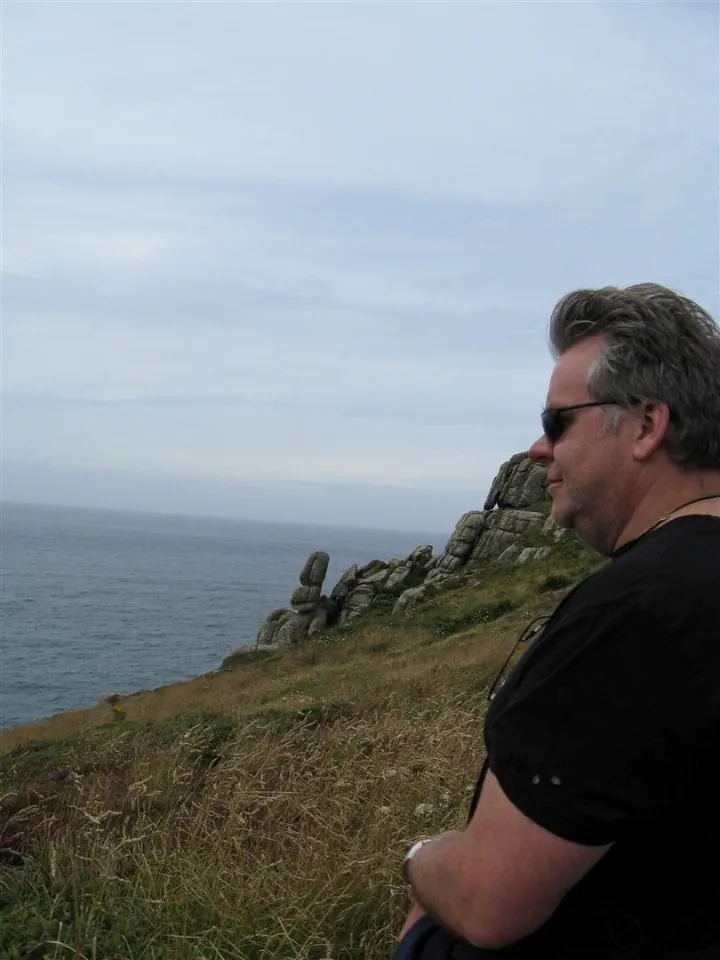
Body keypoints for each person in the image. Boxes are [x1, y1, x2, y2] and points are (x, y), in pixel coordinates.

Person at [393, 283, 720, 959]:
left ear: (646, 426)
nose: (539, 449)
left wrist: (420, 862)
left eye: (557, 422)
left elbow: (487, 903)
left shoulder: (638, 613)